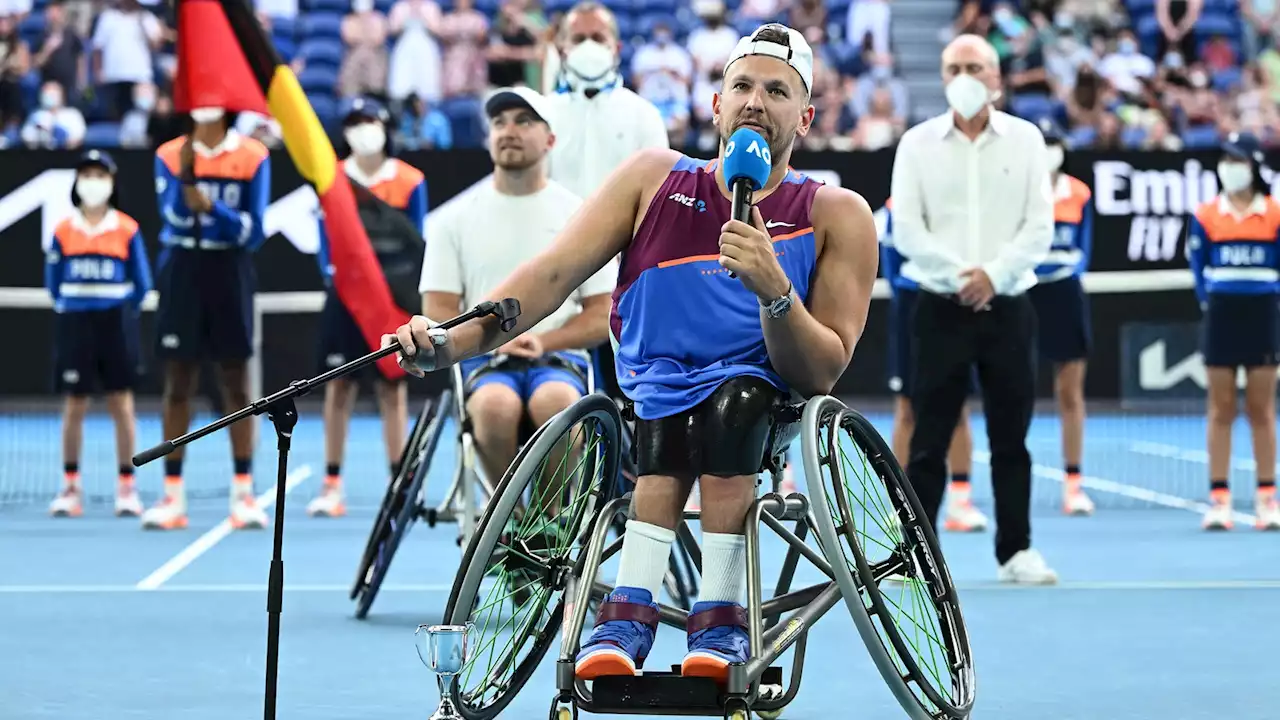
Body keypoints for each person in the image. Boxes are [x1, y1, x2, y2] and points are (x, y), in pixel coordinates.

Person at [390, 23, 877, 683]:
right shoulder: (653, 179)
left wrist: (775, 290)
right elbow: (550, 277)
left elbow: (822, 369)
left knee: (733, 405)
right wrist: (448, 343)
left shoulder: (837, 214)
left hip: (766, 402)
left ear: (807, 115)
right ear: (716, 104)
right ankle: (627, 617)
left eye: (777, 90)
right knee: (669, 414)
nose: (755, 101)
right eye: (741, 85)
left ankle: (720, 619)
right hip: (655, 396)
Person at [889, 34, 1058, 584]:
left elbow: (1039, 227)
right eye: (955, 67)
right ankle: (917, 556)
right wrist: (962, 278)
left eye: (975, 66)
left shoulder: (1028, 141)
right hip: (938, 308)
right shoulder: (915, 144)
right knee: (928, 439)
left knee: (1012, 438)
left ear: (997, 77)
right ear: (942, 77)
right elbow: (907, 229)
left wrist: (994, 277)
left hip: (1009, 308)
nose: (965, 76)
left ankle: (1017, 551)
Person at [418, 85, 616, 491]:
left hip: (558, 358)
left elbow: (603, 314)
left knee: (556, 404)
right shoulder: (450, 220)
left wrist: (545, 342)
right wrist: (491, 341)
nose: (509, 129)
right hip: (482, 360)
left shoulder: (581, 215)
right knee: (494, 407)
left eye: (524, 121)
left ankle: (549, 526)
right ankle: (509, 525)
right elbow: (438, 310)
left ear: (550, 140)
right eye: (499, 122)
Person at [143, 105, 272, 531]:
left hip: (229, 271)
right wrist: (190, 190)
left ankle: (243, 493)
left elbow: (253, 232)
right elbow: (174, 217)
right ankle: (172, 495)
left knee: (236, 382)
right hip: (182, 270)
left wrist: (212, 209)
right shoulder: (170, 154)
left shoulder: (253, 155)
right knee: (177, 382)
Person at [306, 98, 428, 518]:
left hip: (391, 300)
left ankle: (397, 483)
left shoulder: (410, 181)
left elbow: (418, 240)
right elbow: (328, 240)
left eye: (370, 121)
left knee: (392, 388)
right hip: (345, 298)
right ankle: (332, 483)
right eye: (354, 123)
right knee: (339, 385)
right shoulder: (333, 178)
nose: (363, 130)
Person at [46, 150, 152, 519]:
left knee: (121, 403)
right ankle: (71, 486)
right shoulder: (62, 230)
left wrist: (119, 309)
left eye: (99, 174)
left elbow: (142, 283)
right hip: (75, 325)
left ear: (111, 181)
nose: (93, 181)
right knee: (74, 404)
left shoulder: (126, 228)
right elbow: (53, 284)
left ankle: (127, 486)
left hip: (115, 324)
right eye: (86, 174)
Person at [1186, 131, 1280, 531]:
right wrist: (1211, 301)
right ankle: (1219, 498)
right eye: (1226, 159)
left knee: (1261, 409)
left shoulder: (1275, 213)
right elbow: (1198, 270)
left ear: (1254, 165)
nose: (1230, 167)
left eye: (1238, 159)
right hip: (1223, 315)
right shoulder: (1206, 215)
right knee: (1220, 408)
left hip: (1263, 315)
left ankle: (1266, 498)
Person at [877, 197, 985, 532]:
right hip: (912, 305)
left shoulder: (958, 200)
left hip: (957, 305)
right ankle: (903, 504)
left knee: (958, 406)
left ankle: (960, 502)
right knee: (907, 406)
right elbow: (891, 262)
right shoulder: (897, 208)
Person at [1027, 120, 1096, 517]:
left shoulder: (1080, 194)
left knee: (1070, 392)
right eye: (1045, 142)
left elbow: (1085, 246)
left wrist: (1072, 273)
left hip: (1065, 294)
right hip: (1026, 292)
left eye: (1056, 143)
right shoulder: (1022, 188)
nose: (1050, 149)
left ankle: (1074, 483)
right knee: (1014, 388)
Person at [543, 1, 669, 202]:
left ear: (616, 48)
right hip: (557, 230)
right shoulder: (544, 113)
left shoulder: (644, 115)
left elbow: (657, 193)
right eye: (579, 39)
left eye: (597, 38)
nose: (588, 46)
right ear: (562, 50)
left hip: (623, 233)